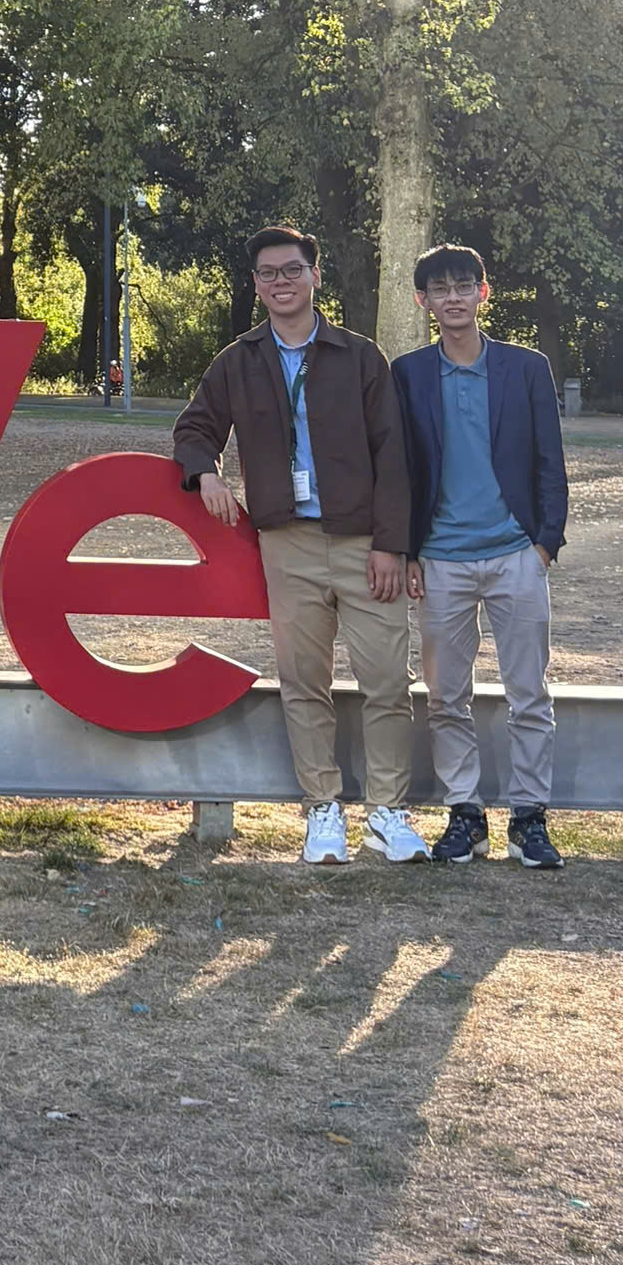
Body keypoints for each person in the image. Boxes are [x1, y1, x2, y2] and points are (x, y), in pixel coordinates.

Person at [174, 224, 428, 864]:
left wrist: (391, 545)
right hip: (287, 543)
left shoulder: (359, 356)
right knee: (303, 681)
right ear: (256, 284)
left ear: (315, 275)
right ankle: (322, 810)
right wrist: (207, 473)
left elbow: (394, 454)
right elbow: (194, 428)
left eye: (292, 270)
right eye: (268, 273)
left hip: (365, 542)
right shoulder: (239, 361)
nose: (281, 282)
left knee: (386, 682)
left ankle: (388, 813)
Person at [394, 245, 568, 870]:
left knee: (529, 693)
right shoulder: (408, 374)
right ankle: (464, 815)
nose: (453, 298)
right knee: (446, 696)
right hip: (440, 559)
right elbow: (400, 470)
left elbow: (550, 459)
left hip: (517, 554)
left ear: (482, 293)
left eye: (463, 286)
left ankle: (529, 818)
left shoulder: (526, 368)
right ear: (424, 301)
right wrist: (407, 551)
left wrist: (544, 543)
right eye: (440, 289)